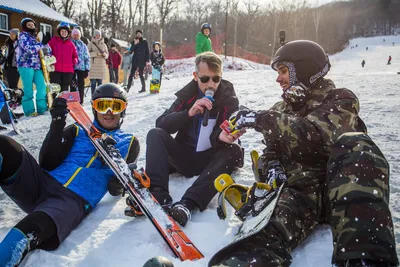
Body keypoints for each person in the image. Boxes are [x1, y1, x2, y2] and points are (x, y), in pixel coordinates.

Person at [209, 40, 399, 267]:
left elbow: (317, 135)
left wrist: (259, 118)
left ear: (305, 70)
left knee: (357, 144)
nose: (278, 79)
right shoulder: (280, 109)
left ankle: (365, 260)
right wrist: (273, 169)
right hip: (300, 192)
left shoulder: (340, 99)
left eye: (283, 71)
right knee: (263, 234)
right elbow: (271, 151)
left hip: (340, 189)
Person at [0, 83, 139, 267]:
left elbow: (118, 185)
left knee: (30, 228)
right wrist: (57, 122)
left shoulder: (129, 142)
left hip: (70, 200)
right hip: (41, 184)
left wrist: (119, 179)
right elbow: (47, 163)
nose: (108, 112)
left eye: (115, 106)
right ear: (94, 108)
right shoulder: (78, 129)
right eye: (102, 105)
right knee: (4, 145)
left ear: (123, 111)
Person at [138, 52, 243, 227]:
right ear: (195, 76)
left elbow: (227, 126)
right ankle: (158, 194)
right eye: (205, 79)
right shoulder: (188, 94)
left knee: (234, 151)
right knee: (155, 133)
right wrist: (188, 113)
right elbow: (162, 123)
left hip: (210, 161)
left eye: (216, 79)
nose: (211, 84)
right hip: (185, 155)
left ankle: (188, 204)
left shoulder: (228, 98)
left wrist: (222, 136)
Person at [15, 18, 47, 116]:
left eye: (32, 24)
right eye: (28, 25)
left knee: (42, 87)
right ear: (24, 27)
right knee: (28, 89)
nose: (31, 26)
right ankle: (29, 111)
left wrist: (46, 43)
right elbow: (28, 49)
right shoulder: (22, 36)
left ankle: (42, 108)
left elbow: (46, 51)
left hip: (37, 66)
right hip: (25, 65)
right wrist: (40, 44)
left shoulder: (36, 37)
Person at [47, 22, 78, 92]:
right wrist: (50, 61)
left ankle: (63, 102)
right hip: (56, 70)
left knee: (64, 90)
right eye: (62, 31)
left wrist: (72, 63)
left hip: (68, 71)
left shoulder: (71, 44)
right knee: (55, 89)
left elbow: (75, 57)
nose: (64, 33)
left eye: (65, 31)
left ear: (68, 33)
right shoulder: (53, 41)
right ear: (59, 32)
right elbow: (47, 52)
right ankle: (54, 102)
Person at [71, 28, 90, 104]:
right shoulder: (69, 43)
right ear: (72, 35)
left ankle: (80, 101)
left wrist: (87, 69)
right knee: (73, 84)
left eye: (77, 35)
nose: (76, 36)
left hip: (81, 68)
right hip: (72, 68)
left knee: (81, 85)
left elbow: (87, 57)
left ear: (80, 36)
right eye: (74, 35)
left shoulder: (83, 45)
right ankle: (72, 101)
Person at [87, 30, 108, 96]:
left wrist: (104, 54)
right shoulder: (90, 44)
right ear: (94, 36)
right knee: (93, 84)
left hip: (101, 67)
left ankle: (99, 97)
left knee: (100, 84)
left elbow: (107, 56)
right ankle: (93, 97)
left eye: (99, 35)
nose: (98, 36)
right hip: (93, 67)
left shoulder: (104, 45)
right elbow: (87, 54)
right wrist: (96, 53)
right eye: (96, 35)